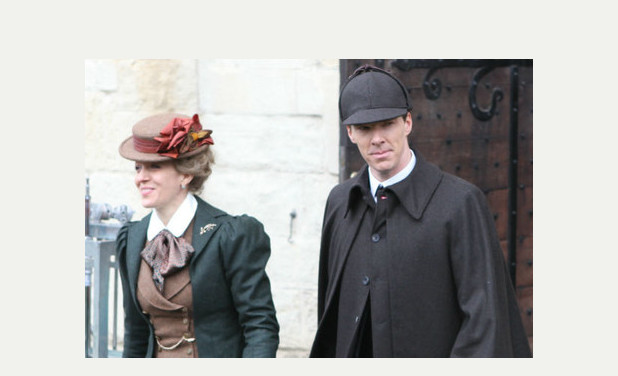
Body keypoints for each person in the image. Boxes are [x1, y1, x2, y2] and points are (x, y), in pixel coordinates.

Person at [309, 65, 531, 358]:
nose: (377, 139)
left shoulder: (461, 203)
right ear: (350, 133)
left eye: (387, 124)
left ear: (408, 122)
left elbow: (484, 323)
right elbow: (331, 312)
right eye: (364, 128)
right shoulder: (340, 203)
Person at [116, 112, 279, 358]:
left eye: (155, 167)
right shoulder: (132, 238)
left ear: (185, 174)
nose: (141, 178)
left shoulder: (230, 236)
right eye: (138, 168)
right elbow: (135, 333)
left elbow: (260, 326)